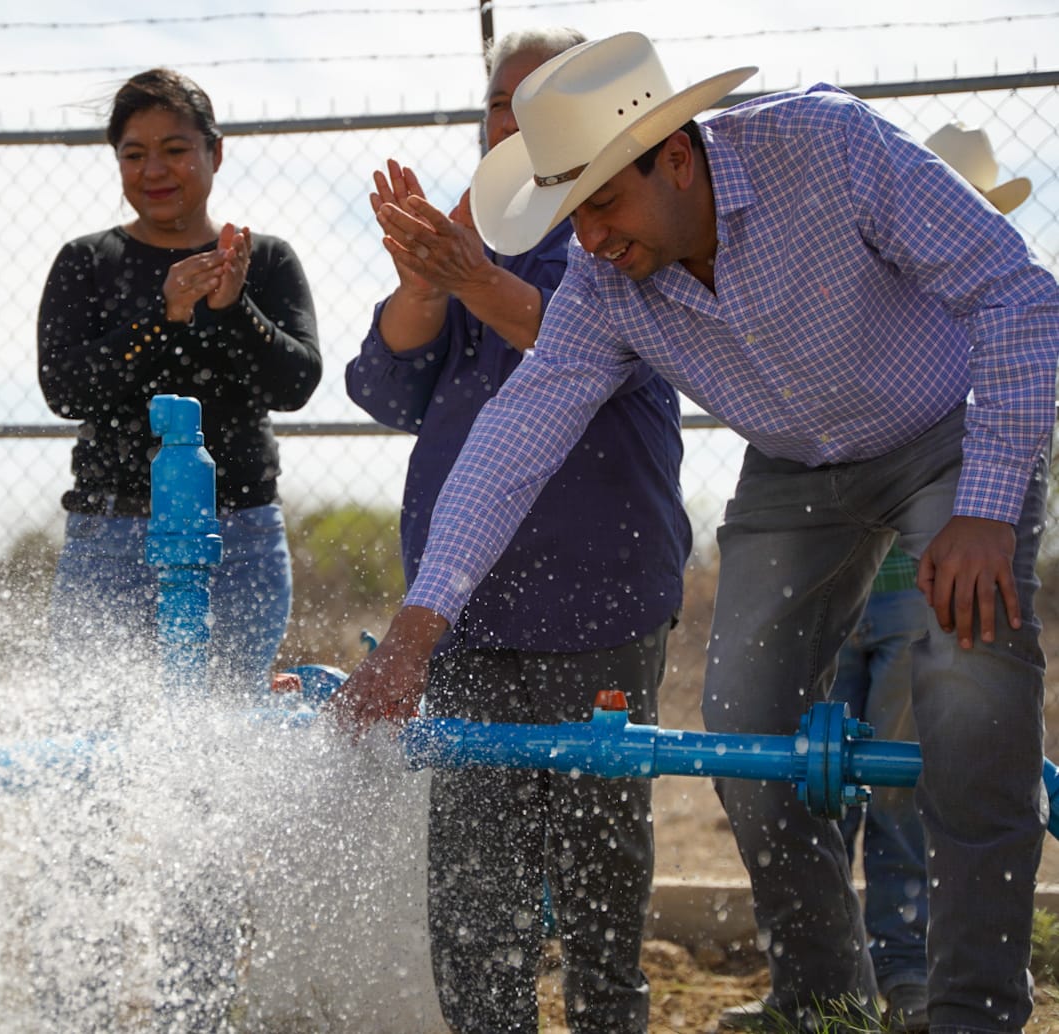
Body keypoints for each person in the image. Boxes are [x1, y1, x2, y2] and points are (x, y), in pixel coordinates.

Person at [329, 30, 1059, 1034]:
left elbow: (1016, 288)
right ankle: (825, 997)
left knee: (968, 685)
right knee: (745, 725)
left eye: (602, 203)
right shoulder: (604, 281)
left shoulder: (830, 148)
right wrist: (414, 632)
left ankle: (974, 1009)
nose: (588, 240)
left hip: (944, 440)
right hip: (794, 469)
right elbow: (512, 441)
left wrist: (984, 505)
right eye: (570, 214)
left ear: (675, 155)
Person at [345, 25, 690, 1033]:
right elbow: (386, 382)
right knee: (473, 888)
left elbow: (585, 340)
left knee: (598, 878)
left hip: (602, 597)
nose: (518, 114)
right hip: (464, 613)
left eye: (542, 94)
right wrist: (423, 278)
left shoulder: (632, 219)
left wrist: (467, 275)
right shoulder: (477, 230)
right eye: (503, 98)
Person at [822, 122, 1034, 1034]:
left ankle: (909, 975)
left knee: (909, 783)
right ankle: (836, 981)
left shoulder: (989, 329)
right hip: (852, 577)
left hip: (922, 589)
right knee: (819, 775)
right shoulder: (875, 312)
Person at [37, 67, 321, 698]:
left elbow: (296, 383)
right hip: (111, 537)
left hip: (238, 534)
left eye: (175, 150)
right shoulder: (87, 261)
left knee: (227, 734)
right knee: (100, 730)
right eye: (134, 154)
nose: (154, 170)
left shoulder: (264, 260)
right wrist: (160, 317)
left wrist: (233, 308)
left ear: (214, 152)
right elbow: (64, 389)